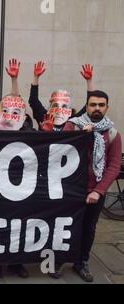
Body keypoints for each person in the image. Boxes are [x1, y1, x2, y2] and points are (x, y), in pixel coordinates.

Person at [57, 90, 122, 282]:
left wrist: (99, 191)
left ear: (107, 108)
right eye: (93, 104)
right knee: (64, 226)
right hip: (70, 189)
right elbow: (59, 150)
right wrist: (81, 136)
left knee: (88, 228)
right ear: (87, 106)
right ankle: (59, 259)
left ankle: (81, 262)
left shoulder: (112, 133)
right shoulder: (73, 126)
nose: (97, 108)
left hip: (94, 191)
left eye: (101, 105)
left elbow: (114, 166)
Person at [0, 59, 32, 279]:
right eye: (7, 110)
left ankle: (16, 262)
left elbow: (16, 102)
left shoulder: (28, 130)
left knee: (19, 224)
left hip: (21, 186)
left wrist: (15, 81)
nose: (12, 113)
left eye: (16, 112)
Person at [30, 62, 93, 131]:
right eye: (55, 105)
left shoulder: (73, 120)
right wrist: (36, 77)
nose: (59, 110)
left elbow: (90, 105)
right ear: (50, 107)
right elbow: (33, 101)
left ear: (70, 110)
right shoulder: (44, 117)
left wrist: (89, 81)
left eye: (64, 106)